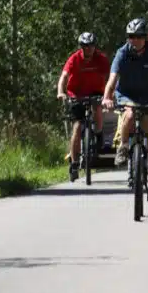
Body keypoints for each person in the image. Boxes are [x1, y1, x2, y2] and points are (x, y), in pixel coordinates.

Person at [102, 17, 148, 206]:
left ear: (146, 37)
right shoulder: (122, 53)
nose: (133, 40)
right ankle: (124, 147)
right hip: (127, 95)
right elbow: (112, 79)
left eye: (138, 37)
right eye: (130, 37)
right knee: (129, 114)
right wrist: (107, 97)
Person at [57, 32, 110, 181]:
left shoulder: (101, 59)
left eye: (91, 46)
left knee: (98, 109)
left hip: (96, 92)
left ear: (95, 46)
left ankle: (98, 136)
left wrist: (108, 95)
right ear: (81, 47)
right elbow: (64, 77)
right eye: (85, 46)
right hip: (76, 94)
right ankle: (74, 163)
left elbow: (110, 79)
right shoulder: (74, 59)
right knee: (77, 126)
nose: (88, 49)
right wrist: (61, 92)